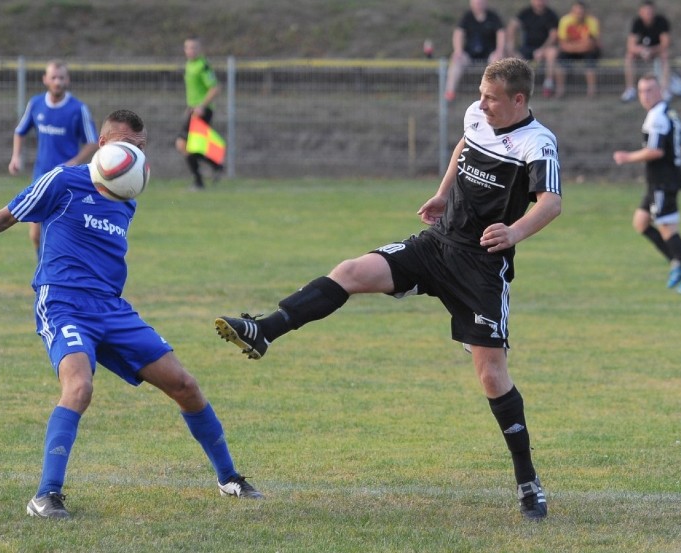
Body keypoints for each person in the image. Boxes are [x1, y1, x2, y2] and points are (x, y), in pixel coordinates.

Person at [216, 58, 562, 521]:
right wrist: (443, 193)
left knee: (492, 376)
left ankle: (528, 483)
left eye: (491, 97)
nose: (480, 102)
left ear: (519, 100)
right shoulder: (477, 116)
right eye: (480, 92)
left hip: (480, 267)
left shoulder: (537, 142)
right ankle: (265, 330)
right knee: (352, 270)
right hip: (436, 246)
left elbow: (551, 202)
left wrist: (515, 233)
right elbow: (463, 146)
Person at [0, 109, 263, 520]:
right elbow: (3, 217)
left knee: (185, 385)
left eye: (140, 147)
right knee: (79, 386)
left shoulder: (128, 194)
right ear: (103, 145)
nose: (135, 154)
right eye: (127, 145)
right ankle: (46, 495)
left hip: (111, 308)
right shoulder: (63, 181)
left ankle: (229, 477)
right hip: (63, 303)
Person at [612, 75, 681, 293]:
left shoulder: (657, 117)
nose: (645, 95)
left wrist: (627, 157)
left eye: (650, 90)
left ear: (660, 91)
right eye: (642, 91)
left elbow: (656, 150)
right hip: (660, 180)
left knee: (668, 228)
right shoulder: (669, 113)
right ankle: (677, 262)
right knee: (641, 222)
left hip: (663, 181)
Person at [9, 60, 99, 254]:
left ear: (68, 80)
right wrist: (16, 157)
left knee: (64, 232)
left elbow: (92, 141)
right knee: (35, 234)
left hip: (68, 179)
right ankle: (43, 270)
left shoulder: (78, 108)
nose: (57, 82)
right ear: (45, 80)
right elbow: (20, 131)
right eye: (53, 77)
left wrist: (75, 161)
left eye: (61, 78)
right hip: (41, 176)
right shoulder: (36, 104)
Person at [175, 37, 223, 191]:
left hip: (202, 111)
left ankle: (200, 181)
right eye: (188, 47)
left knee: (184, 144)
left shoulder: (203, 66)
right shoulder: (189, 65)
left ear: (200, 49)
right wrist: (190, 107)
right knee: (189, 146)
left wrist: (201, 106)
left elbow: (215, 88)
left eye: (194, 47)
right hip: (193, 110)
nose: (191, 50)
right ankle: (215, 166)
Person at [444, 0, 506, 102]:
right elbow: (458, 33)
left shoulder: (493, 17)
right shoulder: (467, 17)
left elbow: (501, 33)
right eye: (476, 3)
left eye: (481, 2)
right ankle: (450, 91)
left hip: (489, 52)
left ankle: (494, 92)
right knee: (457, 60)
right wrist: (458, 50)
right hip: (470, 53)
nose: (479, 5)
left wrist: (499, 50)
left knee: (497, 61)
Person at [506, 0, 559, 98]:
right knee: (513, 56)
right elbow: (512, 26)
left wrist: (542, 50)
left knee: (552, 52)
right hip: (526, 48)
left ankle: (548, 84)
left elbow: (553, 36)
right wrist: (511, 45)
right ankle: (518, 87)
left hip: (544, 48)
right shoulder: (525, 13)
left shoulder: (551, 15)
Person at [621, 0, 671, 102]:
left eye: (650, 12)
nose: (648, 14)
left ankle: (664, 90)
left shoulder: (661, 21)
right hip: (642, 51)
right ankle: (630, 89)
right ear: (640, 12)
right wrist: (642, 50)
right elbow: (631, 45)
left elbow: (665, 43)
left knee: (665, 55)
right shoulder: (637, 23)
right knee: (629, 56)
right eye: (645, 12)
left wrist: (651, 51)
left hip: (656, 50)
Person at [555, 1, 602, 98]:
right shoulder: (565, 21)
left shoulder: (592, 21)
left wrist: (572, 46)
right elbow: (562, 44)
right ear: (572, 12)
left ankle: (591, 92)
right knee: (560, 61)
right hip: (570, 50)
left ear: (585, 12)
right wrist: (578, 46)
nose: (579, 15)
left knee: (590, 62)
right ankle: (560, 90)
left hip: (588, 51)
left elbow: (590, 44)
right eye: (576, 13)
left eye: (581, 13)